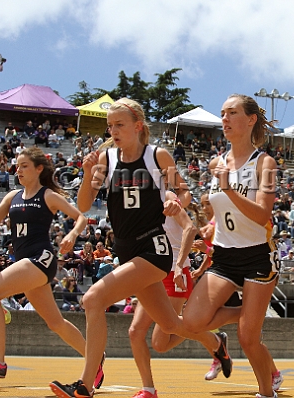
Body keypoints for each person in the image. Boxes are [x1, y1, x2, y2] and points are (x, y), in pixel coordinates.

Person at [50, 98, 194, 398]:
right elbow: (84, 205)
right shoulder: (106, 159)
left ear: (137, 126)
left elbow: (182, 190)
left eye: (119, 124)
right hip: (126, 249)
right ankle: (214, 343)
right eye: (110, 126)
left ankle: (85, 384)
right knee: (169, 322)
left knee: (92, 300)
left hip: (153, 249)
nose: (113, 130)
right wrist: (89, 175)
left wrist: (175, 199)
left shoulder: (158, 156)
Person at [0, 147, 104, 391]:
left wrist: (72, 234)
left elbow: (80, 217)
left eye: (24, 166)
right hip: (26, 262)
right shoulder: (12, 196)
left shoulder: (47, 195)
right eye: (17, 166)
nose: (18, 170)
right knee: (55, 323)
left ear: (39, 169)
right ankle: (95, 360)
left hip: (40, 258)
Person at [181, 94, 281, 398]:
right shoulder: (216, 162)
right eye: (222, 113)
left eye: (232, 113)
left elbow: (263, 214)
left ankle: (267, 391)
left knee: (249, 339)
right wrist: (205, 230)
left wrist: (227, 187)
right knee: (193, 321)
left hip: (257, 256)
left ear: (250, 120)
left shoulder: (265, 162)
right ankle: (242, 312)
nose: (224, 119)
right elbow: (221, 214)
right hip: (224, 255)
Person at [128, 191, 232, 398]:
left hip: (175, 273)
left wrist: (178, 265)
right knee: (135, 332)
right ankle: (148, 389)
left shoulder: (166, 196)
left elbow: (190, 228)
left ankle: (215, 342)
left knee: (161, 341)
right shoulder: (138, 200)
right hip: (151, 270)